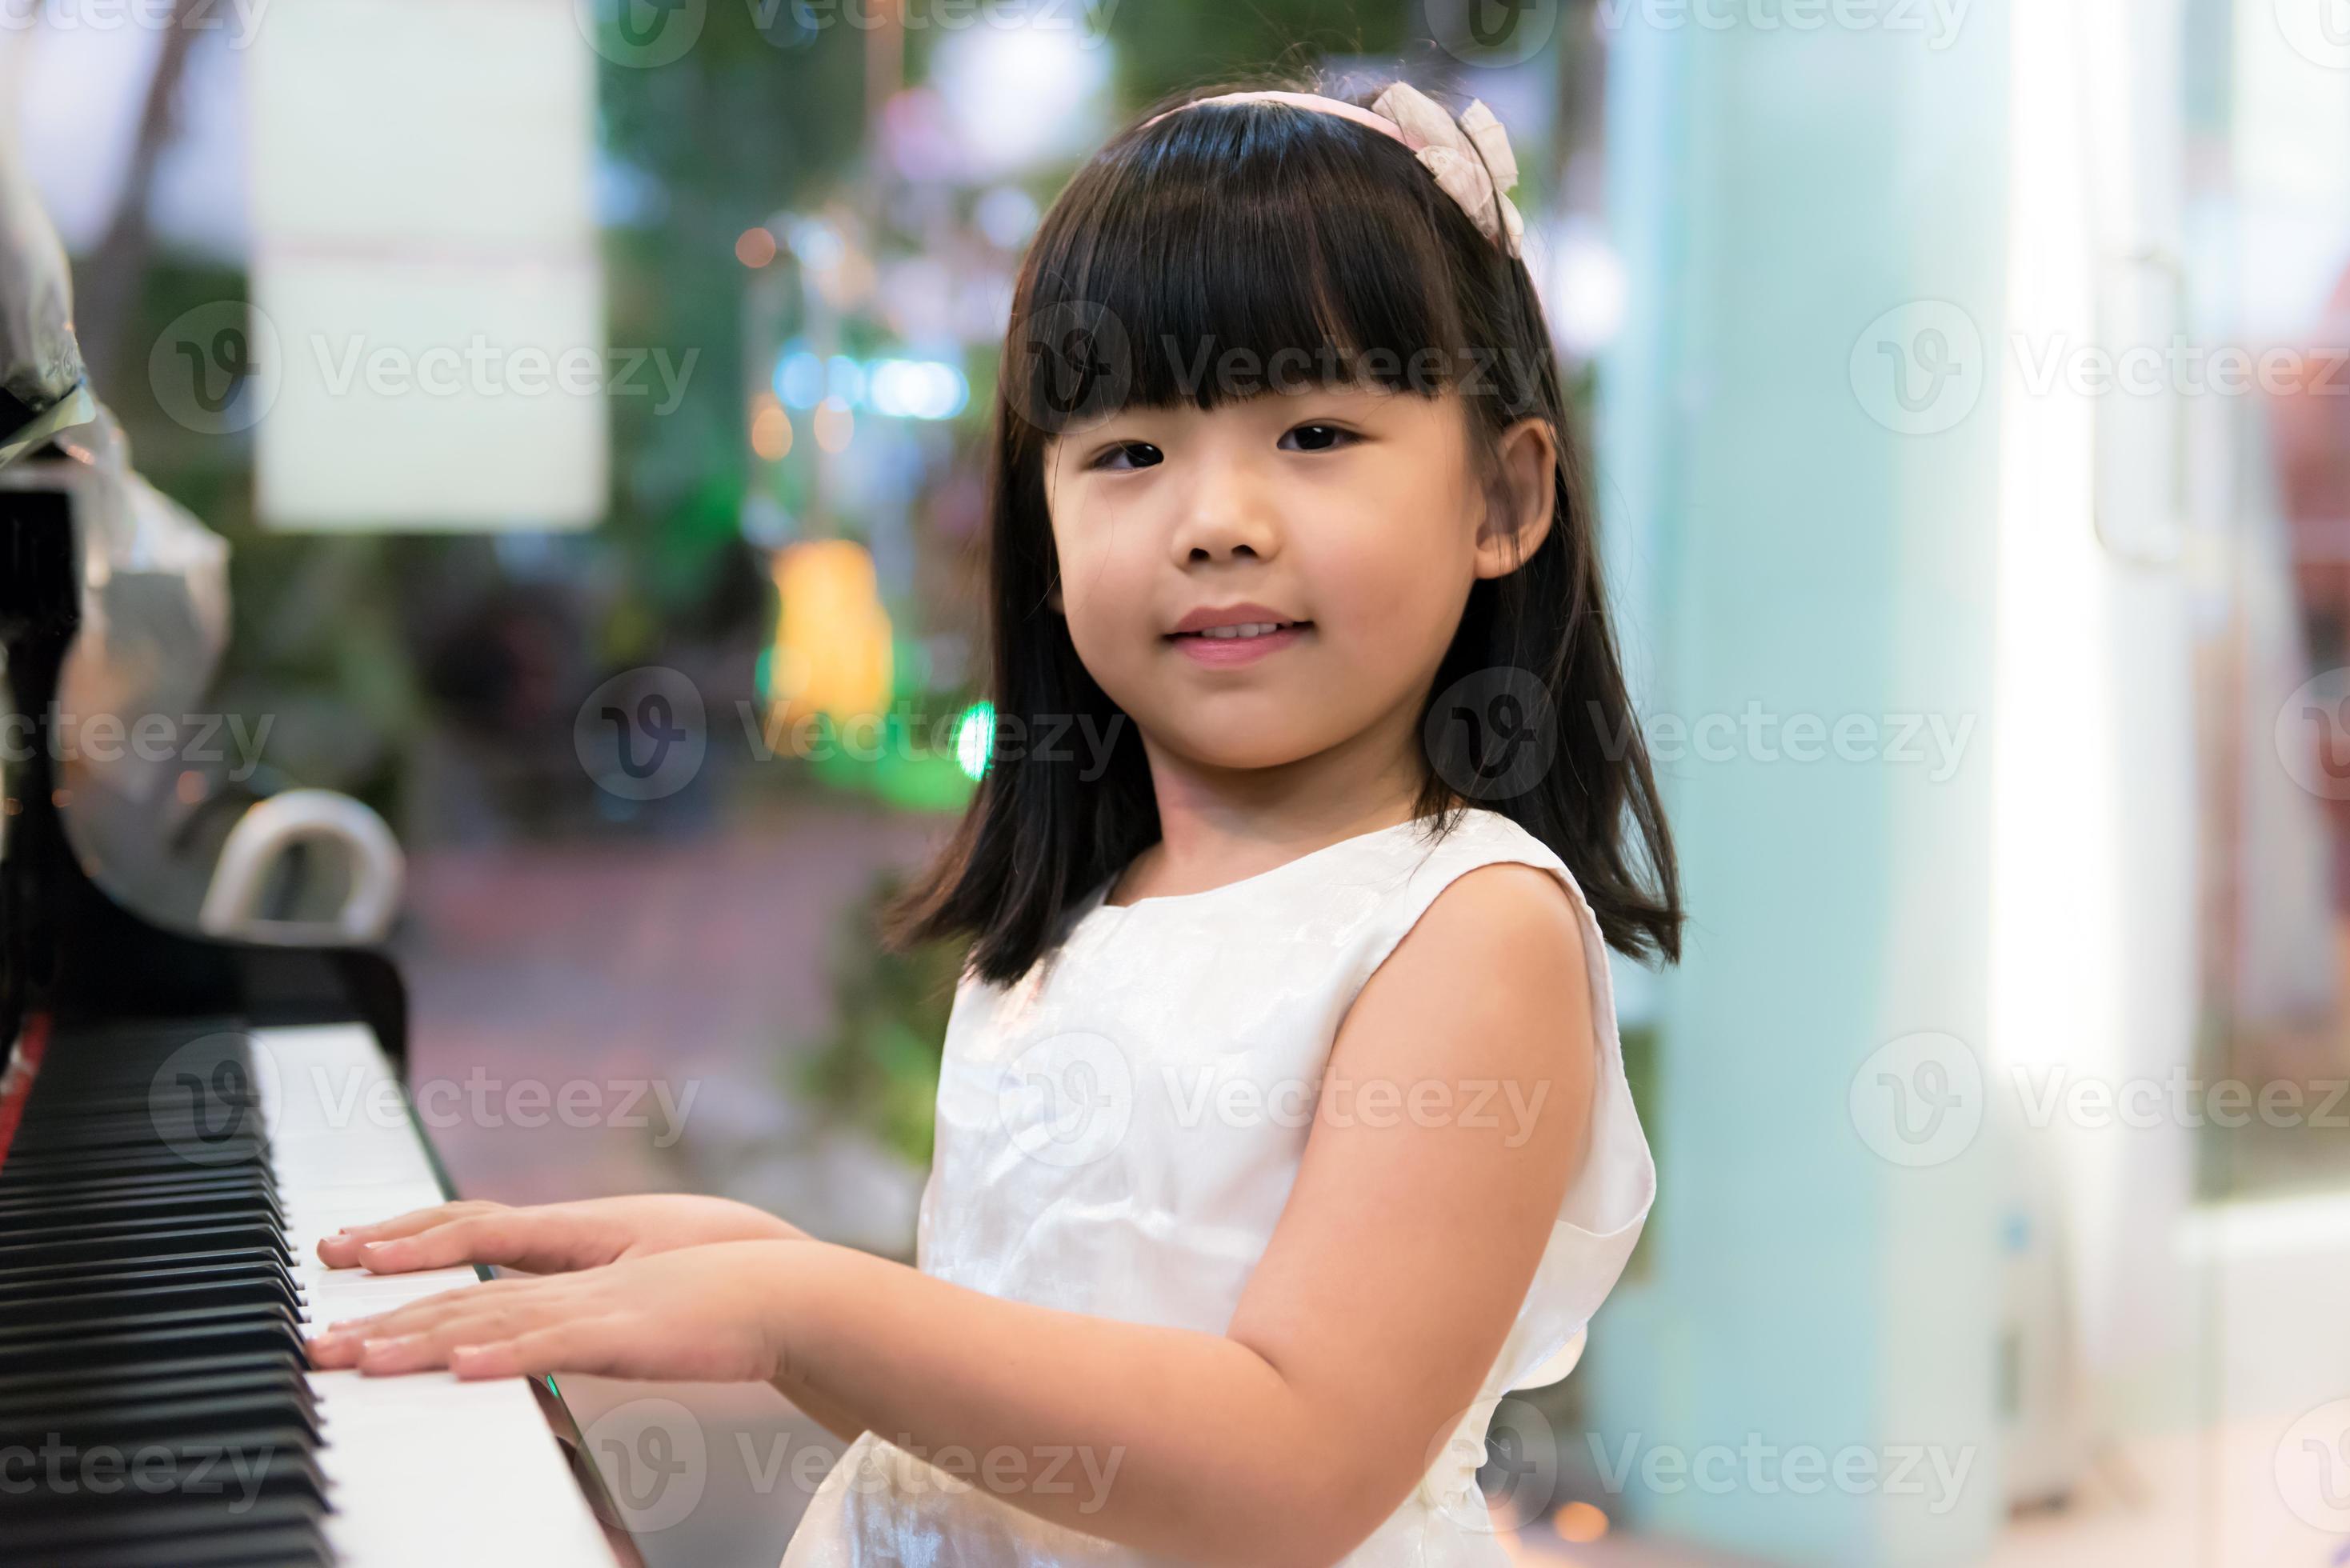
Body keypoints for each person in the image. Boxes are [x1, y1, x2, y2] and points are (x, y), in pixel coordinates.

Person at [306, 75, 1684, 1566]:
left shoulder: (1467, 929)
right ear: (1040, 535)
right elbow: (1044, 1411)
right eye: (1128, 453)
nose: (1216, 518)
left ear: (1502, 495)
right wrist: (760, 1272)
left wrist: (808, 1311)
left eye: (1314, 432)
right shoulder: (1099, 899)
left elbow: (1289, 1467)